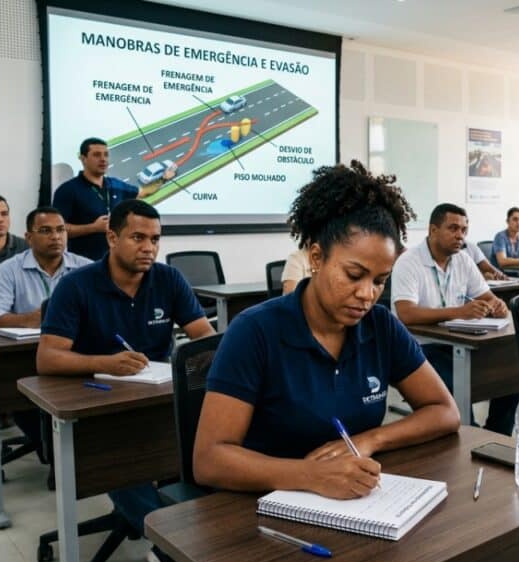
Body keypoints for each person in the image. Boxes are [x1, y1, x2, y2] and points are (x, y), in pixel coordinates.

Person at [192, 160, 459, 500]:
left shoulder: (381, 325)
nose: (367, 294)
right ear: (316, 257)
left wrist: (369, 441)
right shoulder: (255, 331)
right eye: (353, 275)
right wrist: (311, 475)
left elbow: (445, 411)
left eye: (380, 281)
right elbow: (209, 460)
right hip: (260, 507)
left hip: (352, 500)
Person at [37, 199, 214, 562]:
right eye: (137, 237)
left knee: (202, 448)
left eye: (155, 239)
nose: (148, 247)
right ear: (112, 237)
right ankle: (174, 546)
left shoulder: (168, 279)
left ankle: (189, 534)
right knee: (120, 464)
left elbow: (205, 341)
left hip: (160, 394)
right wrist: (105, 362)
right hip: (99, 405)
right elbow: (48, 358)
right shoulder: (76, 286)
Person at [0, 207, 90, 450]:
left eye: (61, 230)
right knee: (21, 399)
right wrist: (26, 319)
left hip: (77, 354)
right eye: (46, 231)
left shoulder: (85, 268)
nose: (56, 237)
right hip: (27, 359)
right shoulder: (9, 270)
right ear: (29, 237)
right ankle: (50, 451)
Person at [392, 203, 509, 395]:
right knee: (459, 391)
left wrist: (498, 305)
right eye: (453, 228)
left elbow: (488, 297)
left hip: (459, 343)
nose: (460, 236)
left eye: (464, 230)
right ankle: (465, 423)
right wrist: (460, 312)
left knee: (508, 375)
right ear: (433, 230)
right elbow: (406, 314)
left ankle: (492, 426)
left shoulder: (463, 259)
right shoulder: (408, 262)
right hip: (419, 346)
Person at [52, 137, 139, 261]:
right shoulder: (68, 190)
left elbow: (142, 193)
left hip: (117, 263)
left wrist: (164, 178)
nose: (103, 159)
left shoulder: (115, 185)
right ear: (83, 159)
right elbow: (57, 228)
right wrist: (93, 227)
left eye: (106, 155)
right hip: (84, 264)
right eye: (97, 155)